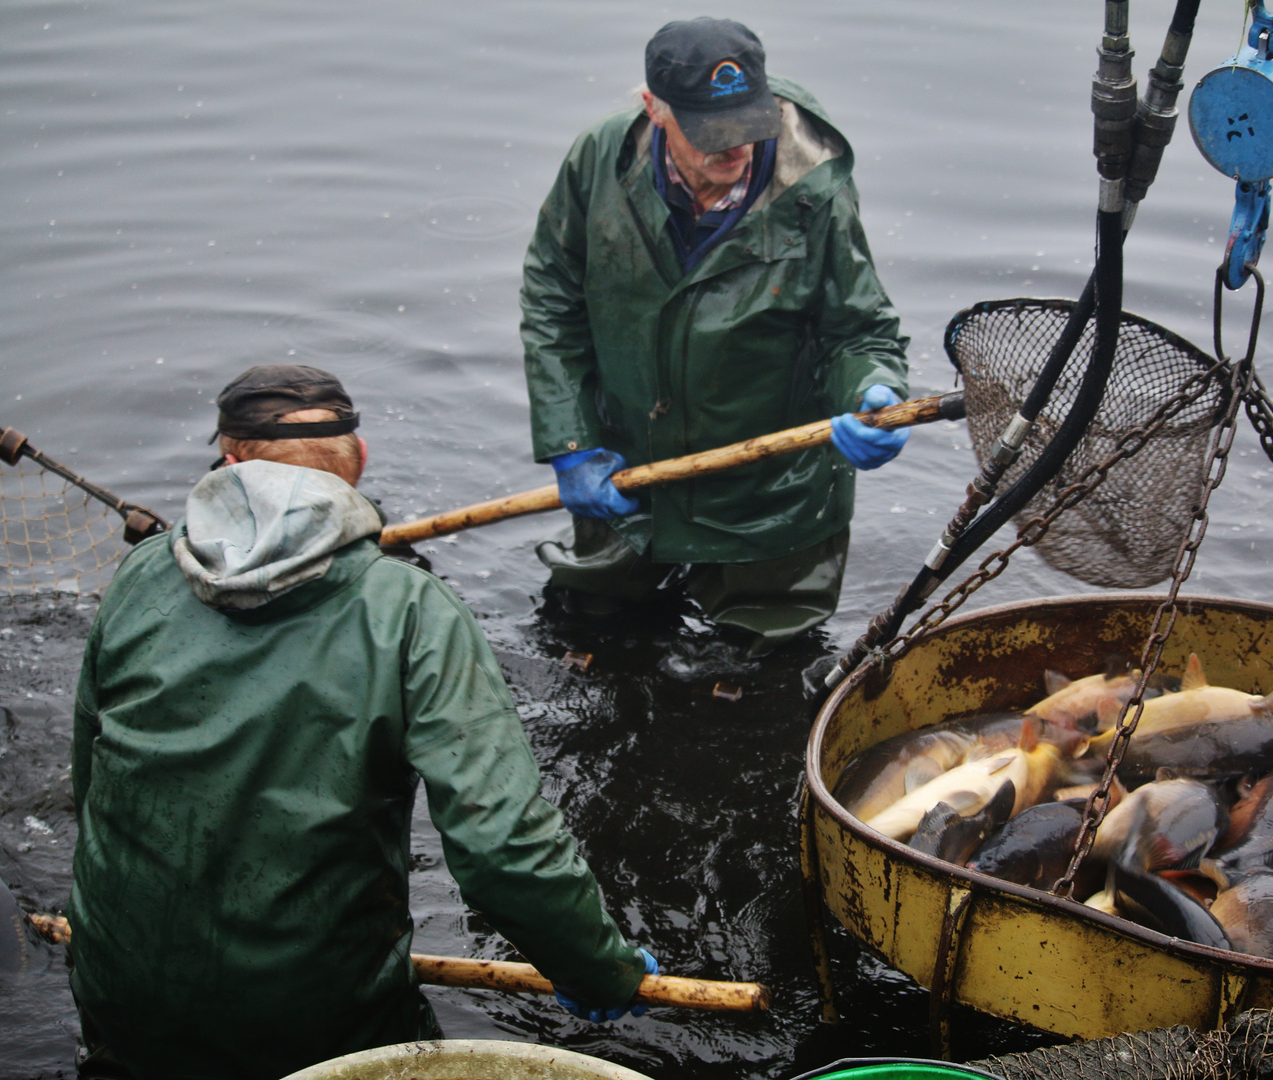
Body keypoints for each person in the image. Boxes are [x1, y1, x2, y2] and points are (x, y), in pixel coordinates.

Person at [68, 365, 655, 1080]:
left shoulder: (141, 574)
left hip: (114, 982)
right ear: (360, 459)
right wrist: (595, 967)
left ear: (229, 462)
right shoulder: (409, 608)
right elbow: (500, 843)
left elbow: (90, 780)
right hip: (311, 1013)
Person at [522, 17, 911, 655]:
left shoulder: (815, 192)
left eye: (747, 129)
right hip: (629, 466)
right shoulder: (599, 158)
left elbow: (857, 328)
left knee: (767, 665)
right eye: (711, 136)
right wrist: (569, 441)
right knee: (593, 628)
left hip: (771, 489)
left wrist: (874, 389)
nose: (734, 151)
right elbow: (551, 300)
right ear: (655, 109)